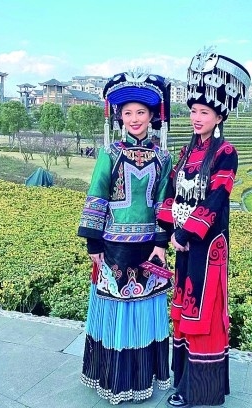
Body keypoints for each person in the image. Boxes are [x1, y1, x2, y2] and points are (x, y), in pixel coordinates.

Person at [157, 48, 251, 407]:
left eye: (204, 112)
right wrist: (167, 234)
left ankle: (198, 389)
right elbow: (171, 192)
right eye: (194, 111)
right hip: (183, 244)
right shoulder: (185, 152)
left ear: (218, 116)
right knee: (184, 308)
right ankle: (183, 380)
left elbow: (216, 199)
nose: (197, 118)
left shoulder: (226, 153)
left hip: (207, 246)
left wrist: (185, 233)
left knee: (203, 311)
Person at [77, 71, 173, 405]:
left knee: (145, 310)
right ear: (119, 117)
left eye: (141, 112)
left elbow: (164, 203)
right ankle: (114, 381)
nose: (134, 119)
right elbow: (97, 195)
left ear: (152, 116)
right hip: (113, 246)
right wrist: (93, 243)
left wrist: (161, 243)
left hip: (149, 247)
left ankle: (143, 378)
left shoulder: (163, 158)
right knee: (117, 311)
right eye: (128, 112)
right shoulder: (109, 153)